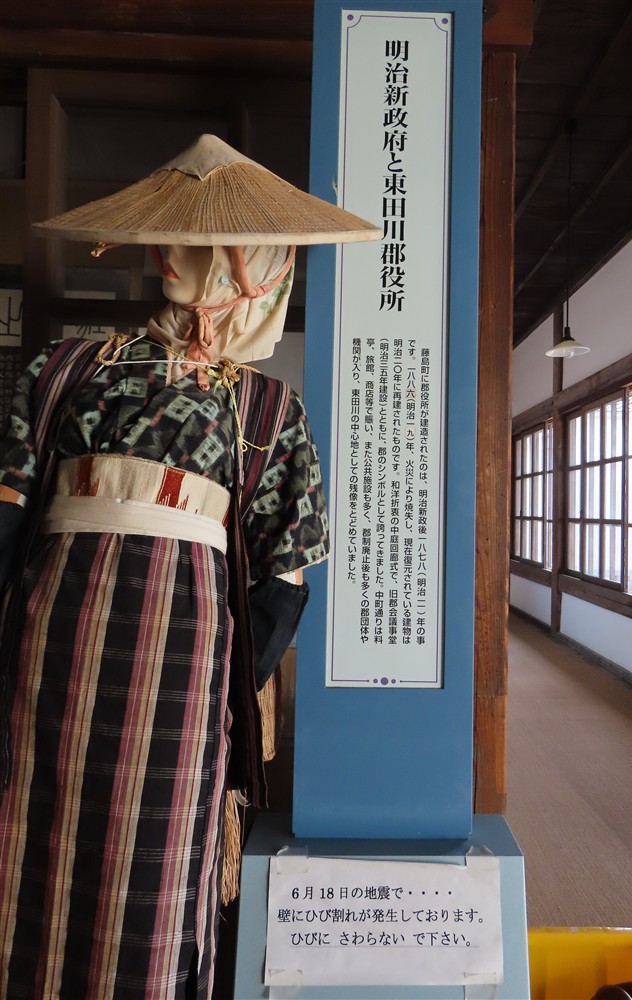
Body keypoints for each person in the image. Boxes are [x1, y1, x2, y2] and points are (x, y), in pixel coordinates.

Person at [0, 134, 379, 1000]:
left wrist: (222, 683)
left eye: (201, 245)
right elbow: (6, 521)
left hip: (125, 665)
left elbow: (282, 582)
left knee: (113, 862)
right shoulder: (81, 375)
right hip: (108, 662)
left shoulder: (253, 405)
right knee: (73, 853)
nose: (170, 255)